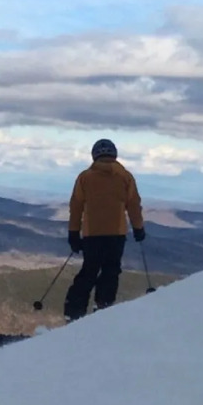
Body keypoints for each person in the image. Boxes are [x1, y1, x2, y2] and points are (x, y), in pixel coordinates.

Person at [63, 138, 145, 321]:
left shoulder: (85, 177)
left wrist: (73, 233)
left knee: (89, 271)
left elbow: (76, 207)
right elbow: (134, 205)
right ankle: (103, 307)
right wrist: (138, 228)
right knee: (111, 271)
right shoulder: (125, 177)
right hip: (117, 234)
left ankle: (74, 312)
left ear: (94, 155)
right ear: (114, 155)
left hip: (92, 234)